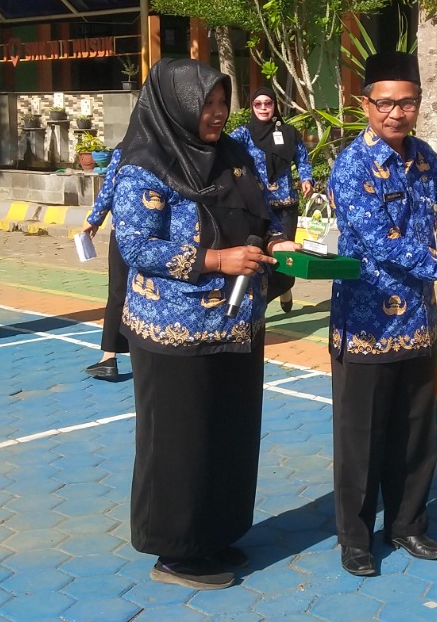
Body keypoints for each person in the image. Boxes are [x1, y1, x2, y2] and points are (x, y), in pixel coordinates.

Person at [111, 59, 298, 590]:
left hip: (236, 323)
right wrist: (217, 260)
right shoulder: (145, 164)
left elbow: (264, 213)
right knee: (180, 442)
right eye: (205, 104)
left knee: (229, 434)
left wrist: (278, 241)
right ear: (176, 105)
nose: (216, 114)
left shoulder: (234, 155)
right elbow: (137, 246)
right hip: (174, 329)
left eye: (221, 102)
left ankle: (214, 533)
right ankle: (175, 552)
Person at [327, 51, 437, 577]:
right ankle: (355, 539)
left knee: (414, 432)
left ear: (419, 104)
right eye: (385, 103)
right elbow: (383, 244)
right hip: (367, 325)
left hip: (417, 323)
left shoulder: (425, 157)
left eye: (407, 103)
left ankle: (407, 524)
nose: (396, 113)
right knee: (361, 439)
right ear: (365, 104)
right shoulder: (352, 165)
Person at [229, 86, 313, 312]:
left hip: (286, 205)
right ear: (252, 107)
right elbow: (223, 148)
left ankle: (284, 286)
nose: (263, 108)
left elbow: (302, 158)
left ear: (275, 106)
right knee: (260, 257)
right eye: (258, 104)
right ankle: (263, 302)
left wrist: (307, 179)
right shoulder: (244, 133)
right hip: (257, 206)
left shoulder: (289, 133)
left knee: (284, 257)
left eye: (268, 103)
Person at [79, 145, 128, 382]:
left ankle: (109, 357)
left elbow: (110, 186)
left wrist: (95, 218)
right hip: (164, 235)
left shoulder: (127, 148)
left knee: (118, 292)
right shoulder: (175, 144)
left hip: (126, 232)